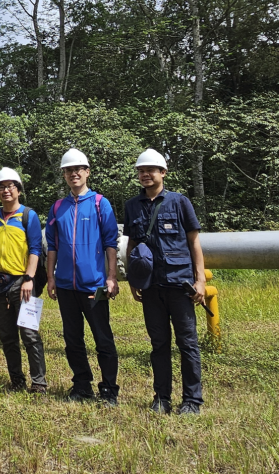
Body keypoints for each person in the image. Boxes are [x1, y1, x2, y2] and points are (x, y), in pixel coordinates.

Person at [124, 148, 206, 415]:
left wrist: (200, 280)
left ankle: (192, 400)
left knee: (187, 343)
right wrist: (133, 278)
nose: (145, 174)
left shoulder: (180, 202)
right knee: (159, 344)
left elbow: (194, 242)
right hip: (150, 286)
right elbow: (132, 244)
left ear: (163, 173)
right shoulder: (132, 206)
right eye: (141, 170)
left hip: (179, 284)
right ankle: (162, 398)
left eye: (150, 170)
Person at [45, 149, 120, 405]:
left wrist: (112, 277)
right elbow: (52, 246)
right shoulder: (58, 207)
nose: (73, 173)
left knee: (103, 338)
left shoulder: (100, 203)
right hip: (66, 285)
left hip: (95, 285)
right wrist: (51, 278)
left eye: (78, 169)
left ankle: (109, 389)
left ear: (87, 172)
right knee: (72, 339)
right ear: (64, 175)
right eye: (68, 170)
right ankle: (81, 385)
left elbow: (111, 243)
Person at [0, 167, 47, 394]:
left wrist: (29, 278)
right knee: (7, 336)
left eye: (10, 186)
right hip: (0, 285)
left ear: (18, 190)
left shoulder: (28, 215)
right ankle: (17, 381)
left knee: (30, 335)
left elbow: (36, 249)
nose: (5, 190)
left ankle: (38, 383)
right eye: (1, 187)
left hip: (23, 283)